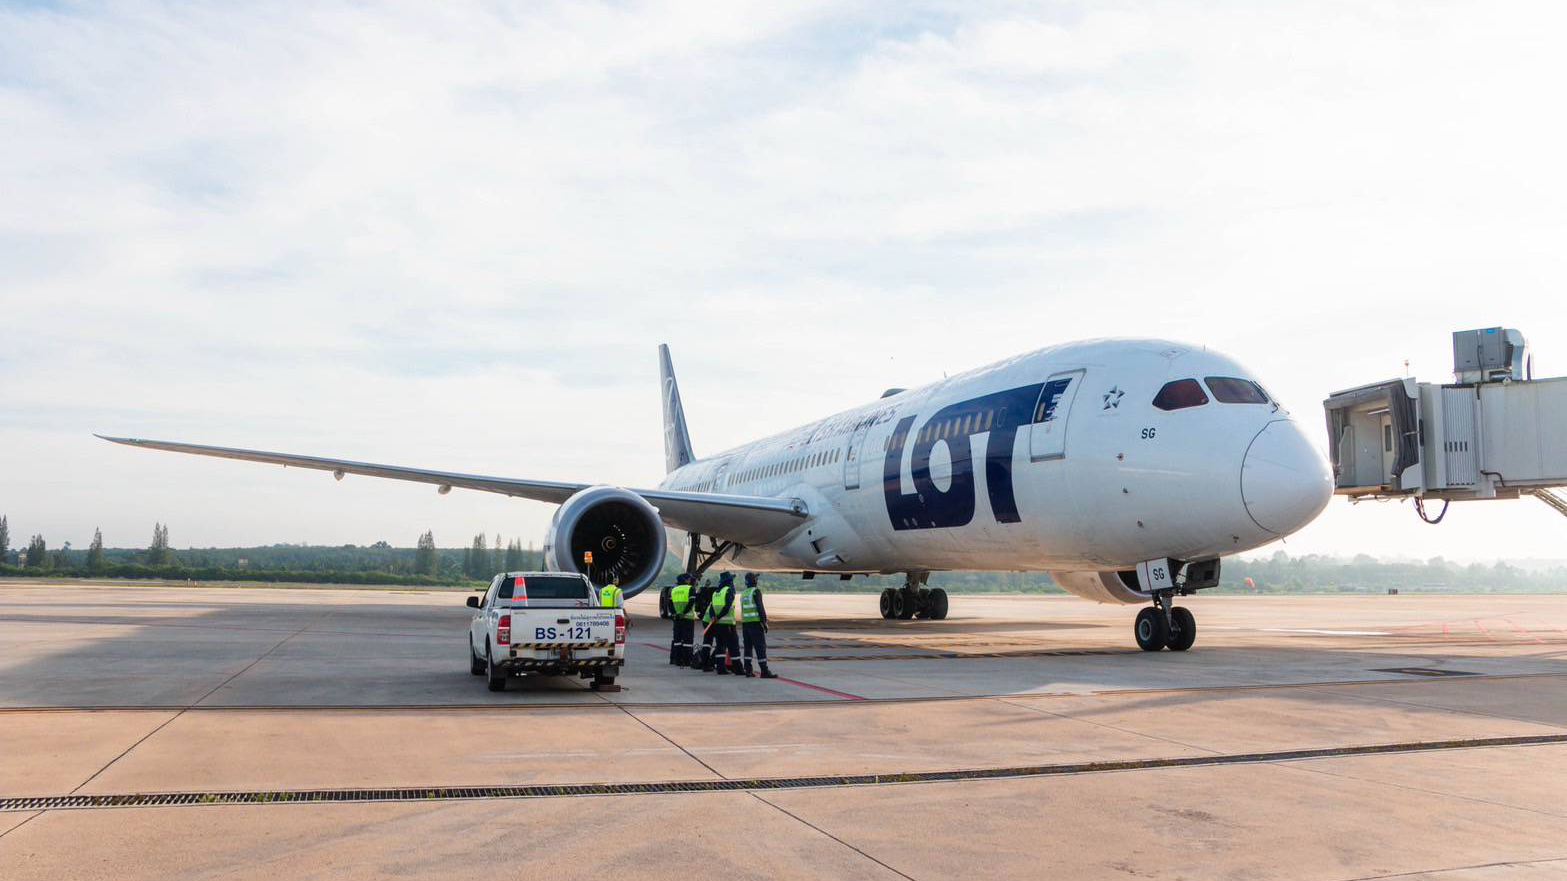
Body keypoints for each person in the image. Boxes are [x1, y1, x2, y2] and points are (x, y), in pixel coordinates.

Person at [739, 572, 777, 678]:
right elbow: (760, 608)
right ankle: (764, 671)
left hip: (745, 624)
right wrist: (764, 622)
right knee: (760, 648)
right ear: (754, 581)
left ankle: (748, 670)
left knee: (748, 648)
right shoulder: (756, 591)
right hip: (755, 624)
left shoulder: (744, 593)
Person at [707, 572, 743, 676]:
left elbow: (712, 608)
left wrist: (714, 617)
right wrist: (720, 616)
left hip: (718, 624)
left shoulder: (716, 593)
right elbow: (727, 606)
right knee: (734, 647)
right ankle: (738, 669)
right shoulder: (728, 590)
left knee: (720, 647)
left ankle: (720, 668)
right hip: (728, 624)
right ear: (729, 581)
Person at [668, 573, 695, 665]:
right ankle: (687, 660)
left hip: (677, 618)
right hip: (687, 618)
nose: (690, 580)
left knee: (677, 640)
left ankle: (677, 660)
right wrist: (684, 613)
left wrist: (675, 614)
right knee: (688, 640)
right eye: (689, 579)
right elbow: (691, 603)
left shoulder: (673, 590)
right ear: (685, 580)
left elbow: (670, 604)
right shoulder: (690, 589)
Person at [693, 577, 717, 671]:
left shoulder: (717, 594)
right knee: (721, 644)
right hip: (714, 621)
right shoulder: (726, 594)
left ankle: (705, 663)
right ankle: (711, 663)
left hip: (707, 620)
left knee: (707, 642)